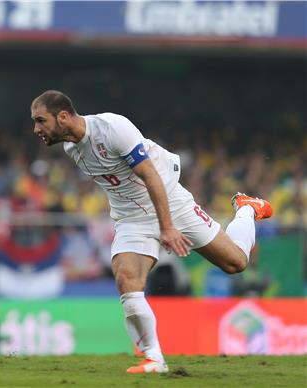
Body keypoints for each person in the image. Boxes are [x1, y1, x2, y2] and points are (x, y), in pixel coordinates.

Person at [30, 90, 273, 373]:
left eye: (40, 120)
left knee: (236, 263)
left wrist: (167, 227)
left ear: (63, 116)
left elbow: (150, 175)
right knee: (126, 279)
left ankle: (247, 209)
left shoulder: (112, 128)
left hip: (169, 200)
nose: (36, 129)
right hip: (131, 218)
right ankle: (154, 358)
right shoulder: (71, 149)